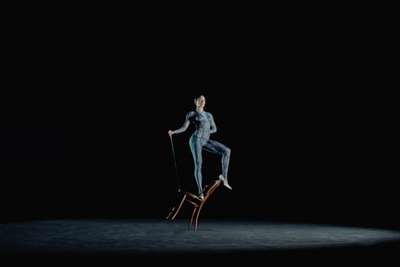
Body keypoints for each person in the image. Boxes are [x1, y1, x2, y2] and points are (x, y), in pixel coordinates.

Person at [168, 95, 232, 200]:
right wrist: (173, 132)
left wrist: (206, 133)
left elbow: (214, 129)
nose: (202, 102)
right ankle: (200, 192)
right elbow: (184, 128)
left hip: (205, 140)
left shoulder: (209, 115)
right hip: (195, 139)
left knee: (227, 151)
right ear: (195, 101)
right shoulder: (192, 114)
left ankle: (224, 177)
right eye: (200, 100)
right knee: (199, 163)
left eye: (204, 100)